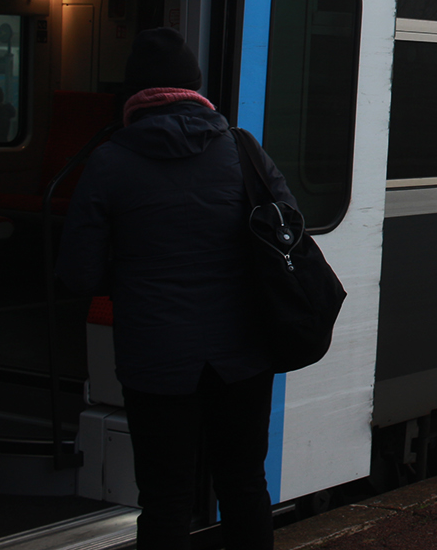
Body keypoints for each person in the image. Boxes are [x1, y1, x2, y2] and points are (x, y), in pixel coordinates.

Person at [57, 28, 294, 550]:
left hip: (156, 359)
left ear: (132, 96)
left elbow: (78, 273)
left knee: (164, 499)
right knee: (243, 484)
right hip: (241, 354)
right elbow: (288, 230)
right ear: (195, 87)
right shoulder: (241, 150)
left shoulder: (108, 162)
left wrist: (132, 273)